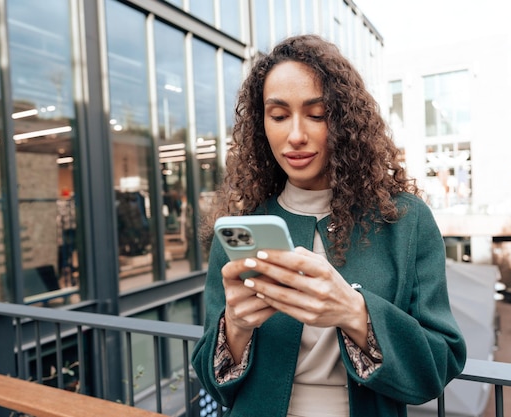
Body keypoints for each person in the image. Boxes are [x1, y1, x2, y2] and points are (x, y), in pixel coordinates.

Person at [191, 34, 466, 417]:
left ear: (345, 122)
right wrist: (234, 328)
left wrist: (354, 312)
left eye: (317, 114)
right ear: (261, 124)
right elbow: (212, 381)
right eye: (279, 115)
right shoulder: (241, 230)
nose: (296, 135)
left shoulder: (404, 221)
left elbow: (439, 364)